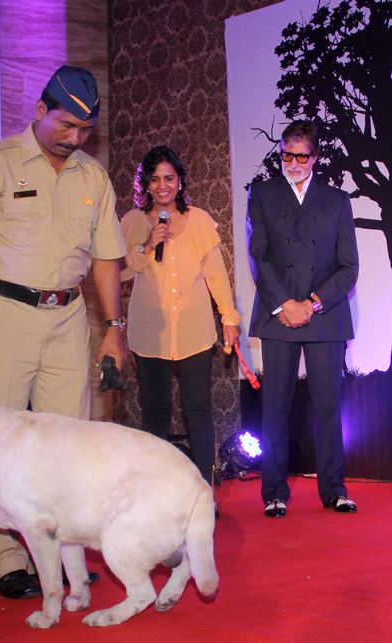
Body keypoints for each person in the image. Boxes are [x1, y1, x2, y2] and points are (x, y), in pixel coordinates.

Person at [0, 65, 126, 598]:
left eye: (85, 130)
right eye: (66, 125)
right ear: (41, 111)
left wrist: (112, 328)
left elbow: (107, 259)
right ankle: (5, 560)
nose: (75, 138)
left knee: (68, 445)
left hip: (69, 319)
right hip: (0, 317)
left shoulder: (93, 176)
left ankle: (66, 558)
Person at [246, 119, 359, 518]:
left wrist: (311, 304)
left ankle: (334, 490)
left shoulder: (336, 200)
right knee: (275, 409)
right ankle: (274, 492)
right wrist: (285, 306)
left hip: (324, 316)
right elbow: (259, 257)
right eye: (286, 155)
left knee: (328, 408)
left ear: (315, 157)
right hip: (279, 316)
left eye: (301, 155)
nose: (293, 162)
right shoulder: (261, 193)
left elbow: (349, 268)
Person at [120, 145, 241, 485]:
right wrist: (145, 245)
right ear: (145, 184)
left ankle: (203, 491)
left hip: (194, 329)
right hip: (150, 331)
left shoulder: (200, 220)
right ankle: (155, 493)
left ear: (180, 181)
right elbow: (118, 273)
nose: (162, 186)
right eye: (155, 179)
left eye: (169, 178)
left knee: (197, 409)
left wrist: (229, 317)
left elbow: (217, 274)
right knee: (155, 411)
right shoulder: (132, 221)